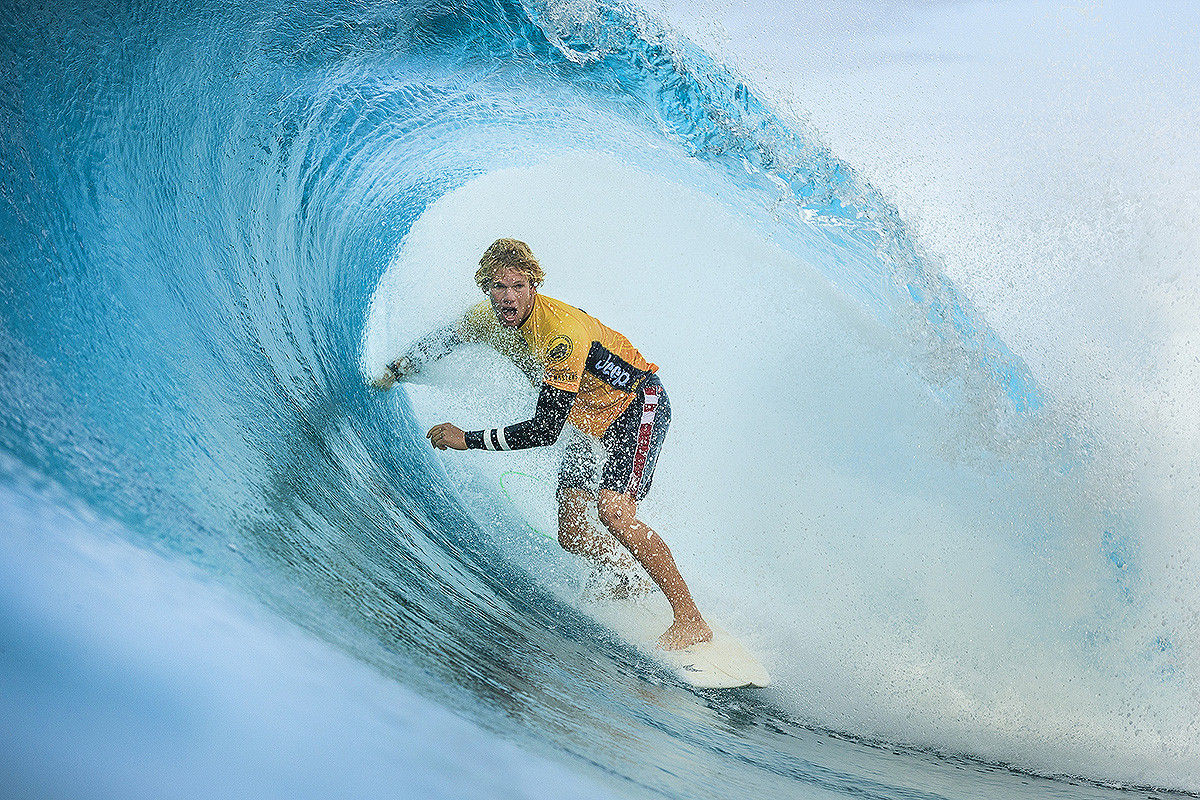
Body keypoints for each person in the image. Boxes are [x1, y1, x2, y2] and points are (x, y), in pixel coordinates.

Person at [372, 238, 712, 650]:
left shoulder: (560, 335)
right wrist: (397, 369)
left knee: (614, 513)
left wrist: (468, 439)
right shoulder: (486, 319)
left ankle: (690, 619)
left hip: (635, 405)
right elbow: (445, 339)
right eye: (499, 287)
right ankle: (625, 577)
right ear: (485, 288)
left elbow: (545, 430)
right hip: (585, 420)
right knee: (572, 533)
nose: (508, 298)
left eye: (518, 286)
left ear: (534, 285)